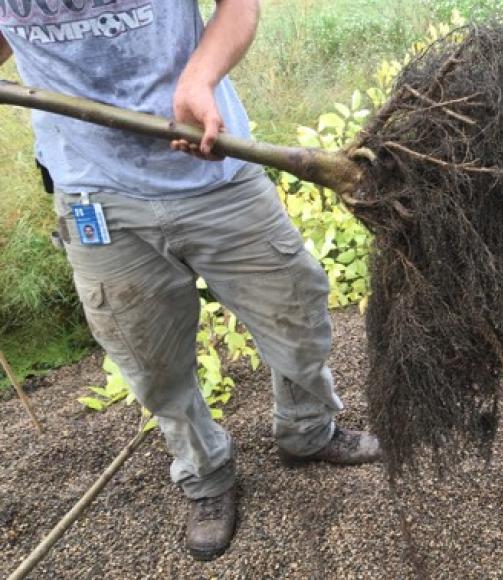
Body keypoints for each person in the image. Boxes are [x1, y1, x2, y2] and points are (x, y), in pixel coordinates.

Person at [0, 0, 381, 561]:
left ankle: (308, 431)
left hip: (218, 171)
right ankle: (206, 476)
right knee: (148, 360)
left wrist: (199, 78)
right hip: (94, 195)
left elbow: (239, 6)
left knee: (296, 311)